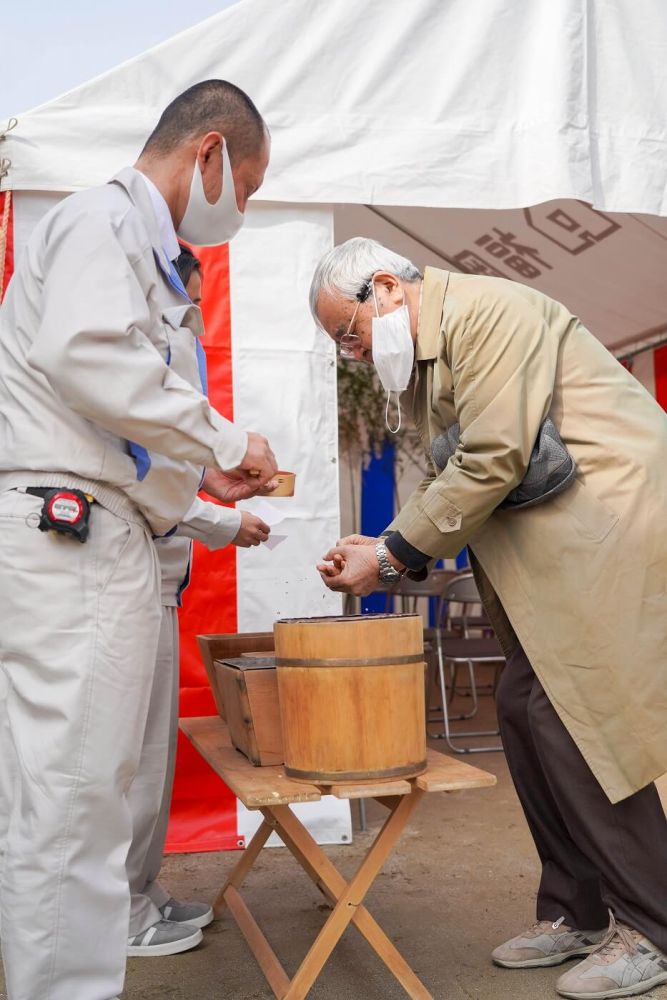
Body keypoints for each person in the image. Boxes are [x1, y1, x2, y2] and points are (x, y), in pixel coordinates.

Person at [310, 237, 667, 1000]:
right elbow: (453, 470)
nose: (350, 352)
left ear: (385, 288)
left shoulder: (488, 311)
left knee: (576, 716)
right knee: (520, 707)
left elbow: (494, 456)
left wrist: (394, 552)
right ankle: (576, 910)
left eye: (348, 332)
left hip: (609, 521)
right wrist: (384, 544)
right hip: (555, 538)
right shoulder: (431, 352)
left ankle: (654, 928)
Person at [0, 80, 276, 1000]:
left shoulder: (146, 256)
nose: (242, 208)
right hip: (69, 535)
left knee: (85, 792)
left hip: (100, 528)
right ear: (208, 155)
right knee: (74, 800)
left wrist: (213, 493)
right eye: (248, 186)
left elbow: (119, 429)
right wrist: (227, 441)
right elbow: (89, 356)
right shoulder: (99, 222)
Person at [125, 244, 272, 957]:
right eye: (185, 302)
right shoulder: (117, 363)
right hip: (121, 572)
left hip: (156, 578)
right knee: (123, 761)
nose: (188, 320)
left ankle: (138, 894)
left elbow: (172, 472)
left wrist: (213, 487)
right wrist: (224, 518)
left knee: (149, 755)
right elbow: (141, 479)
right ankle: (118, 914)